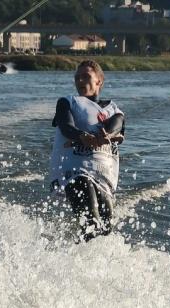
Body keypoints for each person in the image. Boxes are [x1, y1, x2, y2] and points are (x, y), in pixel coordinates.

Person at [49, 60, 125, 243]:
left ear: (99, 81)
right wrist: (82, 136)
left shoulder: (114, 110)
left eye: (86, 77)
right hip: (73, 174)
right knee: (91, 223)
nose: (80, 81)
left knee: (106, 233)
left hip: (103, 180)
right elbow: (66, 127)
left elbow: (117, 125)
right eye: (77, 78)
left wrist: (106, 134)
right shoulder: (67, 103)